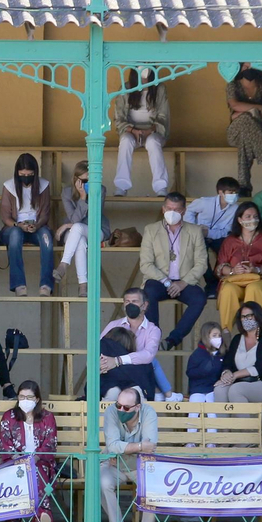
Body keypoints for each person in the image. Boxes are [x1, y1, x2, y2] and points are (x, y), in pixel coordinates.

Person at [140, 194, 210, 351]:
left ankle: (172, 340)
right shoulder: (151, 230)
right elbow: (145, 264)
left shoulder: (194, 231)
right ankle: (154, 337)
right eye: (169, 208)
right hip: (159, 280)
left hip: (185, 281)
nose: (172, 212)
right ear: (163, 209)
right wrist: (166, 281)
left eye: (177, 209)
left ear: (184, 211)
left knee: (199, 299)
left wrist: (183, 283)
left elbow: (201, 263)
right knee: (148, 292)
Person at [0, 382, 59, 522]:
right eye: (22, 396)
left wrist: (35, 458)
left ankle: (41, 514)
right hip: (15, 463)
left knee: (36, 470)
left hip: (41, 463)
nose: (25, 400)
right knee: (18, 472)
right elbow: (4, 443)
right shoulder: (9, 417)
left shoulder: (47, 417)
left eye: (29, 397)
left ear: (37, 399)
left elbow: (50, 443)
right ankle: (15, 516)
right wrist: (18, 458)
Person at [100, 388, 158, 522]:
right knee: (101, 482)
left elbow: (149, 447)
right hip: (114, 465)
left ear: (137, 407)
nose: (120, 409)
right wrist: (138, 447)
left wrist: (122, 450)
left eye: (126, 407)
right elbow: (112, 446)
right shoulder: (111, 412)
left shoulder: (149, 413)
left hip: (139, 465)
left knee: (152, 484)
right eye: (118, 405)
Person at [214, 201, 262, 329]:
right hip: (235, 281)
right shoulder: (230, 241)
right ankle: (226, 331)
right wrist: (233, 270)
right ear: (239, 219)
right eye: (248, 216)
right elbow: (220, 268)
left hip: (260, 281)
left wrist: (256, 269)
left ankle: (251, 330)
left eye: (255, 216)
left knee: (253, 288)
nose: (252, 219)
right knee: (227, 290)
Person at [2, 153, 56, 296]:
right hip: (15, 227)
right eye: (22, 174)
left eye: (29, 174)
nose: (26, 177)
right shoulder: (9, 186)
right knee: (14, 235)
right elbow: (5, 216)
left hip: (36, 226)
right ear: (17, 173)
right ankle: (19, 284)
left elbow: (45, 213)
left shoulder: (43, 185)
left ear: (35, 173)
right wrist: (18, 225)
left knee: (47, 238)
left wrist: (37, 226)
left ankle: (46, 284)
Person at [56, 160, 110, 297]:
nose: (88, 184)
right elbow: (74, 219)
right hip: (77, 232)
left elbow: (94, 217)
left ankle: (63, 264)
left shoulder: (100, 190)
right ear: (77, 180)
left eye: (91, 180)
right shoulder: (67, 193)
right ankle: (83, 286)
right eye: (85, 181)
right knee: (79, 240)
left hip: (97, 230)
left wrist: (68, 225)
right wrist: (82, 197)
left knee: (78, 228)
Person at [113, 68, 170, 196]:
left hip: (154, 131)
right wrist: (133, 130)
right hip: (131, 131)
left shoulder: (159, 88)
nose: (145, 70)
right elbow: (119, 117)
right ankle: (121, 186)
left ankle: (161, 187)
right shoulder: (126, 88)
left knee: (153, 142)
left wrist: (150, 130)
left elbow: (163, 116)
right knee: (125, 141)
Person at [98, 289, 160, 400]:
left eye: (134, 301)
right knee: (112, 393)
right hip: (111, 378)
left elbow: (148, 355)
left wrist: (117, 360)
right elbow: (99, 348)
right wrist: (100, 364)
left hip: (137, 378)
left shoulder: (152, 330)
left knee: (137, 395)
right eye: (127, 302)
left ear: (144, 305)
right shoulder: (113, 325)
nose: (130, 305)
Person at [226, 66, 262, 188]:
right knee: (246, 119)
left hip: (260, 132)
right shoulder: (233, 86)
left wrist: (242, 112)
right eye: (245, 66)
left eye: (251, 65)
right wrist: (259, 107)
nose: (248, 69)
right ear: (239, 68)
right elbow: (234, 105)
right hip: (235, 133)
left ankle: (244, 186)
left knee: (245, 138)